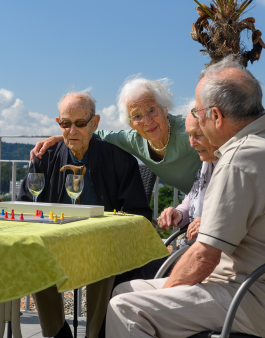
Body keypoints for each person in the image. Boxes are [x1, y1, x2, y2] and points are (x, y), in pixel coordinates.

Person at [106, 56, 265, 338]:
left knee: (128, 308)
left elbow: (205, 257)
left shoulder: (237, 161)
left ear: (216, 116)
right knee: (124, 290)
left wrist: (161, 299)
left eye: (198, 111)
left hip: (247, 294)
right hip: (239, 280)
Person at [18, 91, 153, 338]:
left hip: (102, 246)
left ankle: (96, 333)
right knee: (35, 257)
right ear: (59, 123)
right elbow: (26, 202)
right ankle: (57, 332)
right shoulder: (44, 158)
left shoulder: (119, 160)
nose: (72, 131)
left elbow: (139, 214)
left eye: (80, 123)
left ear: (95, 123)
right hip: (55, 244)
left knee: (105, 258)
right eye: (65, 124)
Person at [30, 77, 201, 194]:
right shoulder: (134, 140)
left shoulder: (189, 132)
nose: (147, 121)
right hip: (197, 204)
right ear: (130, 124)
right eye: (137, 116)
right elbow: (97, 133)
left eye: (151, 110)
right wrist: (64, 136)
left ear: (165, 108)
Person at [157, 108, 219, 244]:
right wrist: (178, 214)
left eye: (197, 134)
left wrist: (211, 223)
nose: (192, 143)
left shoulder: (232, 166)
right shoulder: (207, 166)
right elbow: (190, 201)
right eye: (189, 135)